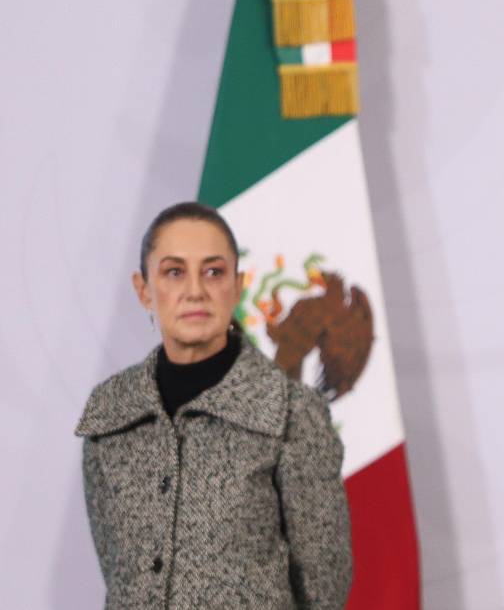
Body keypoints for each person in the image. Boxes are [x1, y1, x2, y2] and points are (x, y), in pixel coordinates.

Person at [75, 202, 352, 609]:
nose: (195, 291)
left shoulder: (292, 413)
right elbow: (120, 569)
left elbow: (323, 585)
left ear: (236, 286)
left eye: (213, 272)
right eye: (174, 272)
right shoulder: (111, 412)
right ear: (143, 289)